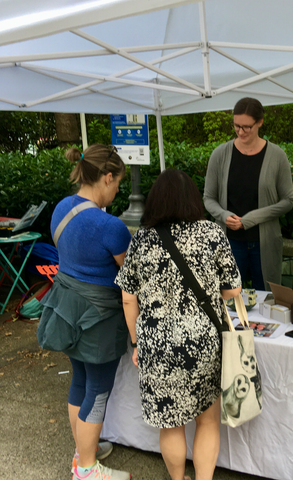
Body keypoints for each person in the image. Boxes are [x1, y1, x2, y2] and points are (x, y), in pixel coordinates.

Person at [116, 169, 242, 480]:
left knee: (170, 425)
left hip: (157, 346)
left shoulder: (141, 239)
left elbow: (128, 298)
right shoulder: (213, 234)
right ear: (193, 200)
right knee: (208, 421)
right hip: (203, 344)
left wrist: (136, 343)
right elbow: (233, 290)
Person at [37, 145, 132, 480]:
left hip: (67, 310)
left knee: (80, 380)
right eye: (117, 182)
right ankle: (88, 469)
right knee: (99, 389)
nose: (118, 190)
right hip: (99, 317)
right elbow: (130, 278)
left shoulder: (62, 208)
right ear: (106, 177)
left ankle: (83, 451)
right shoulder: (111, 226)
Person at [204, 97, 293, 291]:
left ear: (260, 122)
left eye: (247, 127)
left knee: (268, 298)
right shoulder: (219, 155)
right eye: (236, 126)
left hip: (265, 243)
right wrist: (224, 216)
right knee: (228, 297)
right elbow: (208, 198)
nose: (240, 131)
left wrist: (252, 218)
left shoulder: (277, 156)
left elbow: (288, 200)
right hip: (229, 241)